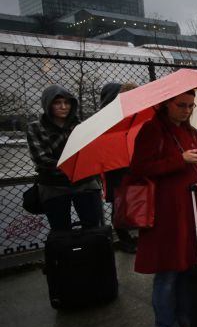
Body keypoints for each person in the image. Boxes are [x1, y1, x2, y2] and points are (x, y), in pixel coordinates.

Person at [129, 90, 197, 327]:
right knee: (168, 271)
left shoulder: (190, 131)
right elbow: (139, 168)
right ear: (165, 104)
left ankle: (184, 319)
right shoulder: (152, 130)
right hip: (167, 212)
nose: (187, 110)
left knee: (187, 266)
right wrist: (179, 160)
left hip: (191, 208)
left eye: (191, 106)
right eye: (181, 105)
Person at [26, 85, 103, 231]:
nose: (63, 107)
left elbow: (89, 154)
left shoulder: (80, 125)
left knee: (93, 226)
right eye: (57, 103)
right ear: (48, 104)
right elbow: (42, 160)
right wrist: (76, 167)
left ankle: (92, 253)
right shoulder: (36, 127)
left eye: (67, 103)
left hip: (84, 183)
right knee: (60, 229)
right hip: (54, 185)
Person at [99, 82, 139, 253]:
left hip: (129, 166)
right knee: (119, 206)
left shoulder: (129, 116)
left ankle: (130, 238)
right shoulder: (105, 120)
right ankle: (125, 240)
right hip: (115, 169)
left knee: (133, 202)